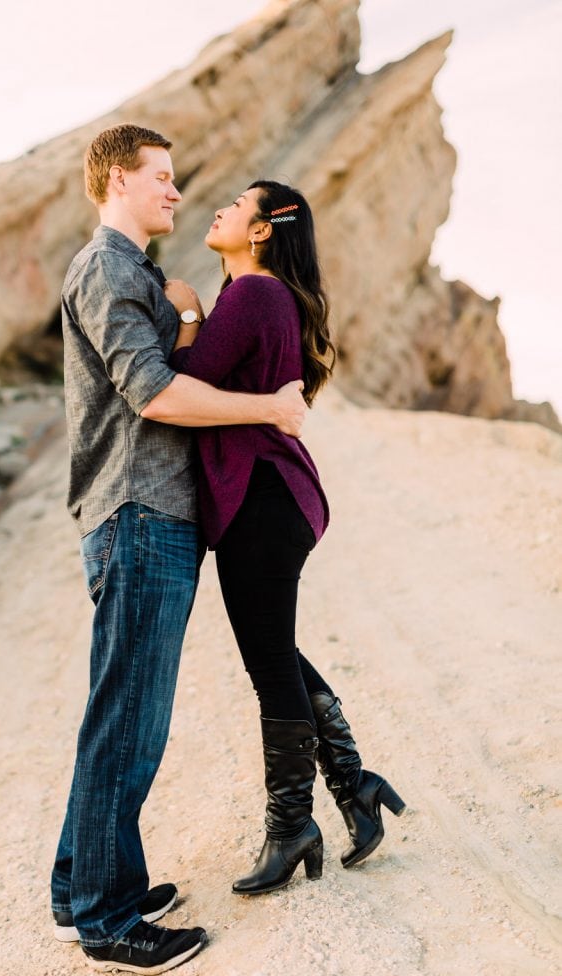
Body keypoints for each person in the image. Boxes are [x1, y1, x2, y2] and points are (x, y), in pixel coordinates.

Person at [50, 127, 308, 976]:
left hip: (153, 512)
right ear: (118, 179)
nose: (175, 191)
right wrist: (268, 410)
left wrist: (190, 309)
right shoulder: (108, 269)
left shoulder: (138, 275)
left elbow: (182, 357)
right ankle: (106, 920)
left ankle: (82, 883)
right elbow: (155, 393)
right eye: (161, 177)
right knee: (130, 719)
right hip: (137, 511)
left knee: (119, 709)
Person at [166, 180, 406, 896]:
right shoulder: (264, 297)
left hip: (262, 497)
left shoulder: (252, 294)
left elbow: (178, 384)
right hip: (272, 497)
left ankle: (291, 826)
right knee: (276, 653)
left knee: (268, 662)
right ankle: (354, 787)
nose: (218, 209)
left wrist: (184, 312)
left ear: (264, 228)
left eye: (235, 205)